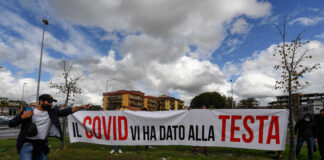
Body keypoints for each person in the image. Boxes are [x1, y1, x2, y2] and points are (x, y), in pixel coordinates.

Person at [8, 94, 89, 160]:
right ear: (41, 101)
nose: (51, 104)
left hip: (42, 145)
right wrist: (22, 117)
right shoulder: (29, 110)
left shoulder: (52, 112)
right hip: (27, 144)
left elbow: (66, 111)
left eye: (51, 102)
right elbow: (11, 124)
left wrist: (81, 107)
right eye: (49, 102)